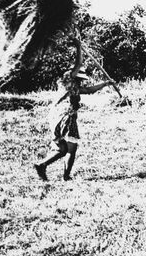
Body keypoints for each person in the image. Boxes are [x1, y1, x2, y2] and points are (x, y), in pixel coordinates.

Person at [34, 34, 114, 181]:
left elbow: (90, 90)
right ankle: (66, 177)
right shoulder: (67, 80)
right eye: (79, 78)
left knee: (63, 149)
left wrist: (106, 84)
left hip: (57, 117)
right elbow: (78, 64)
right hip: (65, 116)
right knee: (72, 148)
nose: (80, 81)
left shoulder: (74, 87)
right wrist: (78, 47)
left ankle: (42, 165)